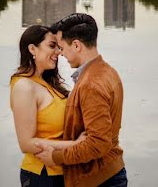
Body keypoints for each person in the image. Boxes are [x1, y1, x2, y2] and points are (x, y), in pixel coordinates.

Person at [36, 13, 127, 187]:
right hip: (108, 173)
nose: (60, 55)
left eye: (62, 48)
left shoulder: (91, 84)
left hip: (97, 180)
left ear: (76, 45)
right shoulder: (108, 71)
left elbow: (98, 143)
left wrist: (55, 157)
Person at [10, 24, 87, 187]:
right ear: (32, 49)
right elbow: (26, 143)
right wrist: (74, 145)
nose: (58, 52)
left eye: (59, 47)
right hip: (42, 176)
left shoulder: (49, 83)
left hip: (64, 172)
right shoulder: (24, 86)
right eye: (52, 46)